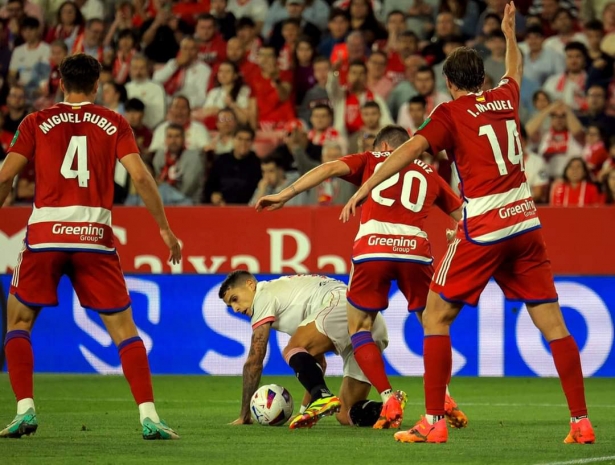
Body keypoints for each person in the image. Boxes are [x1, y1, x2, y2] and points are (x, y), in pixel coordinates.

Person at [342, 2, 594, 445]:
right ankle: (580, 422)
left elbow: (406, 151)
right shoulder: (505, 96)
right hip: (527, 222)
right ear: (483, 77)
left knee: (436, 316)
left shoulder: (448, 114)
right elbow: (513, 68)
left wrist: (366, 186)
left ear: (447, 81)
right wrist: (510, 35)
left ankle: (434, 422)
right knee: (553, 323)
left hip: (486, 226)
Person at [0, 53, 182, 440]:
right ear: (97, 86)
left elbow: (6, 176)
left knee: (18, 322)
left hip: (45, 236)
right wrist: (165, 230)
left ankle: (24, 410)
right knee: (124, 331)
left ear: (60, 83)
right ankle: (149, 416)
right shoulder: (114, 122)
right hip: (94, 239)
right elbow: (141, 177)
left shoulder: (36, 121)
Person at [256, 125, 467, 430]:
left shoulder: (371, 159)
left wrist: (286, 193)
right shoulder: (430, 173)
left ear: (382, 144)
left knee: (360, 326)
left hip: (373, 247)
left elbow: (329, 168)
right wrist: (459, 236)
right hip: (415, 248)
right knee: (434, 325)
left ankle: (387, 395)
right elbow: (465, 216)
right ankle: (444, 395)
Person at [220, 272, 389, 428]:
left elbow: (254, 360)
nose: (235, 309)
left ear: (250, 284)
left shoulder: (263, 295)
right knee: (347, 414)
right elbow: (318, 364)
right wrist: (304, 412)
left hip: (341, 304)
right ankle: (389, 407)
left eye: (235, 299)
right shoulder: (289, 298)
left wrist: (244, 415)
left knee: (292, 349)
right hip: (370, 320)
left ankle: (322, 396)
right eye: (230, 306)